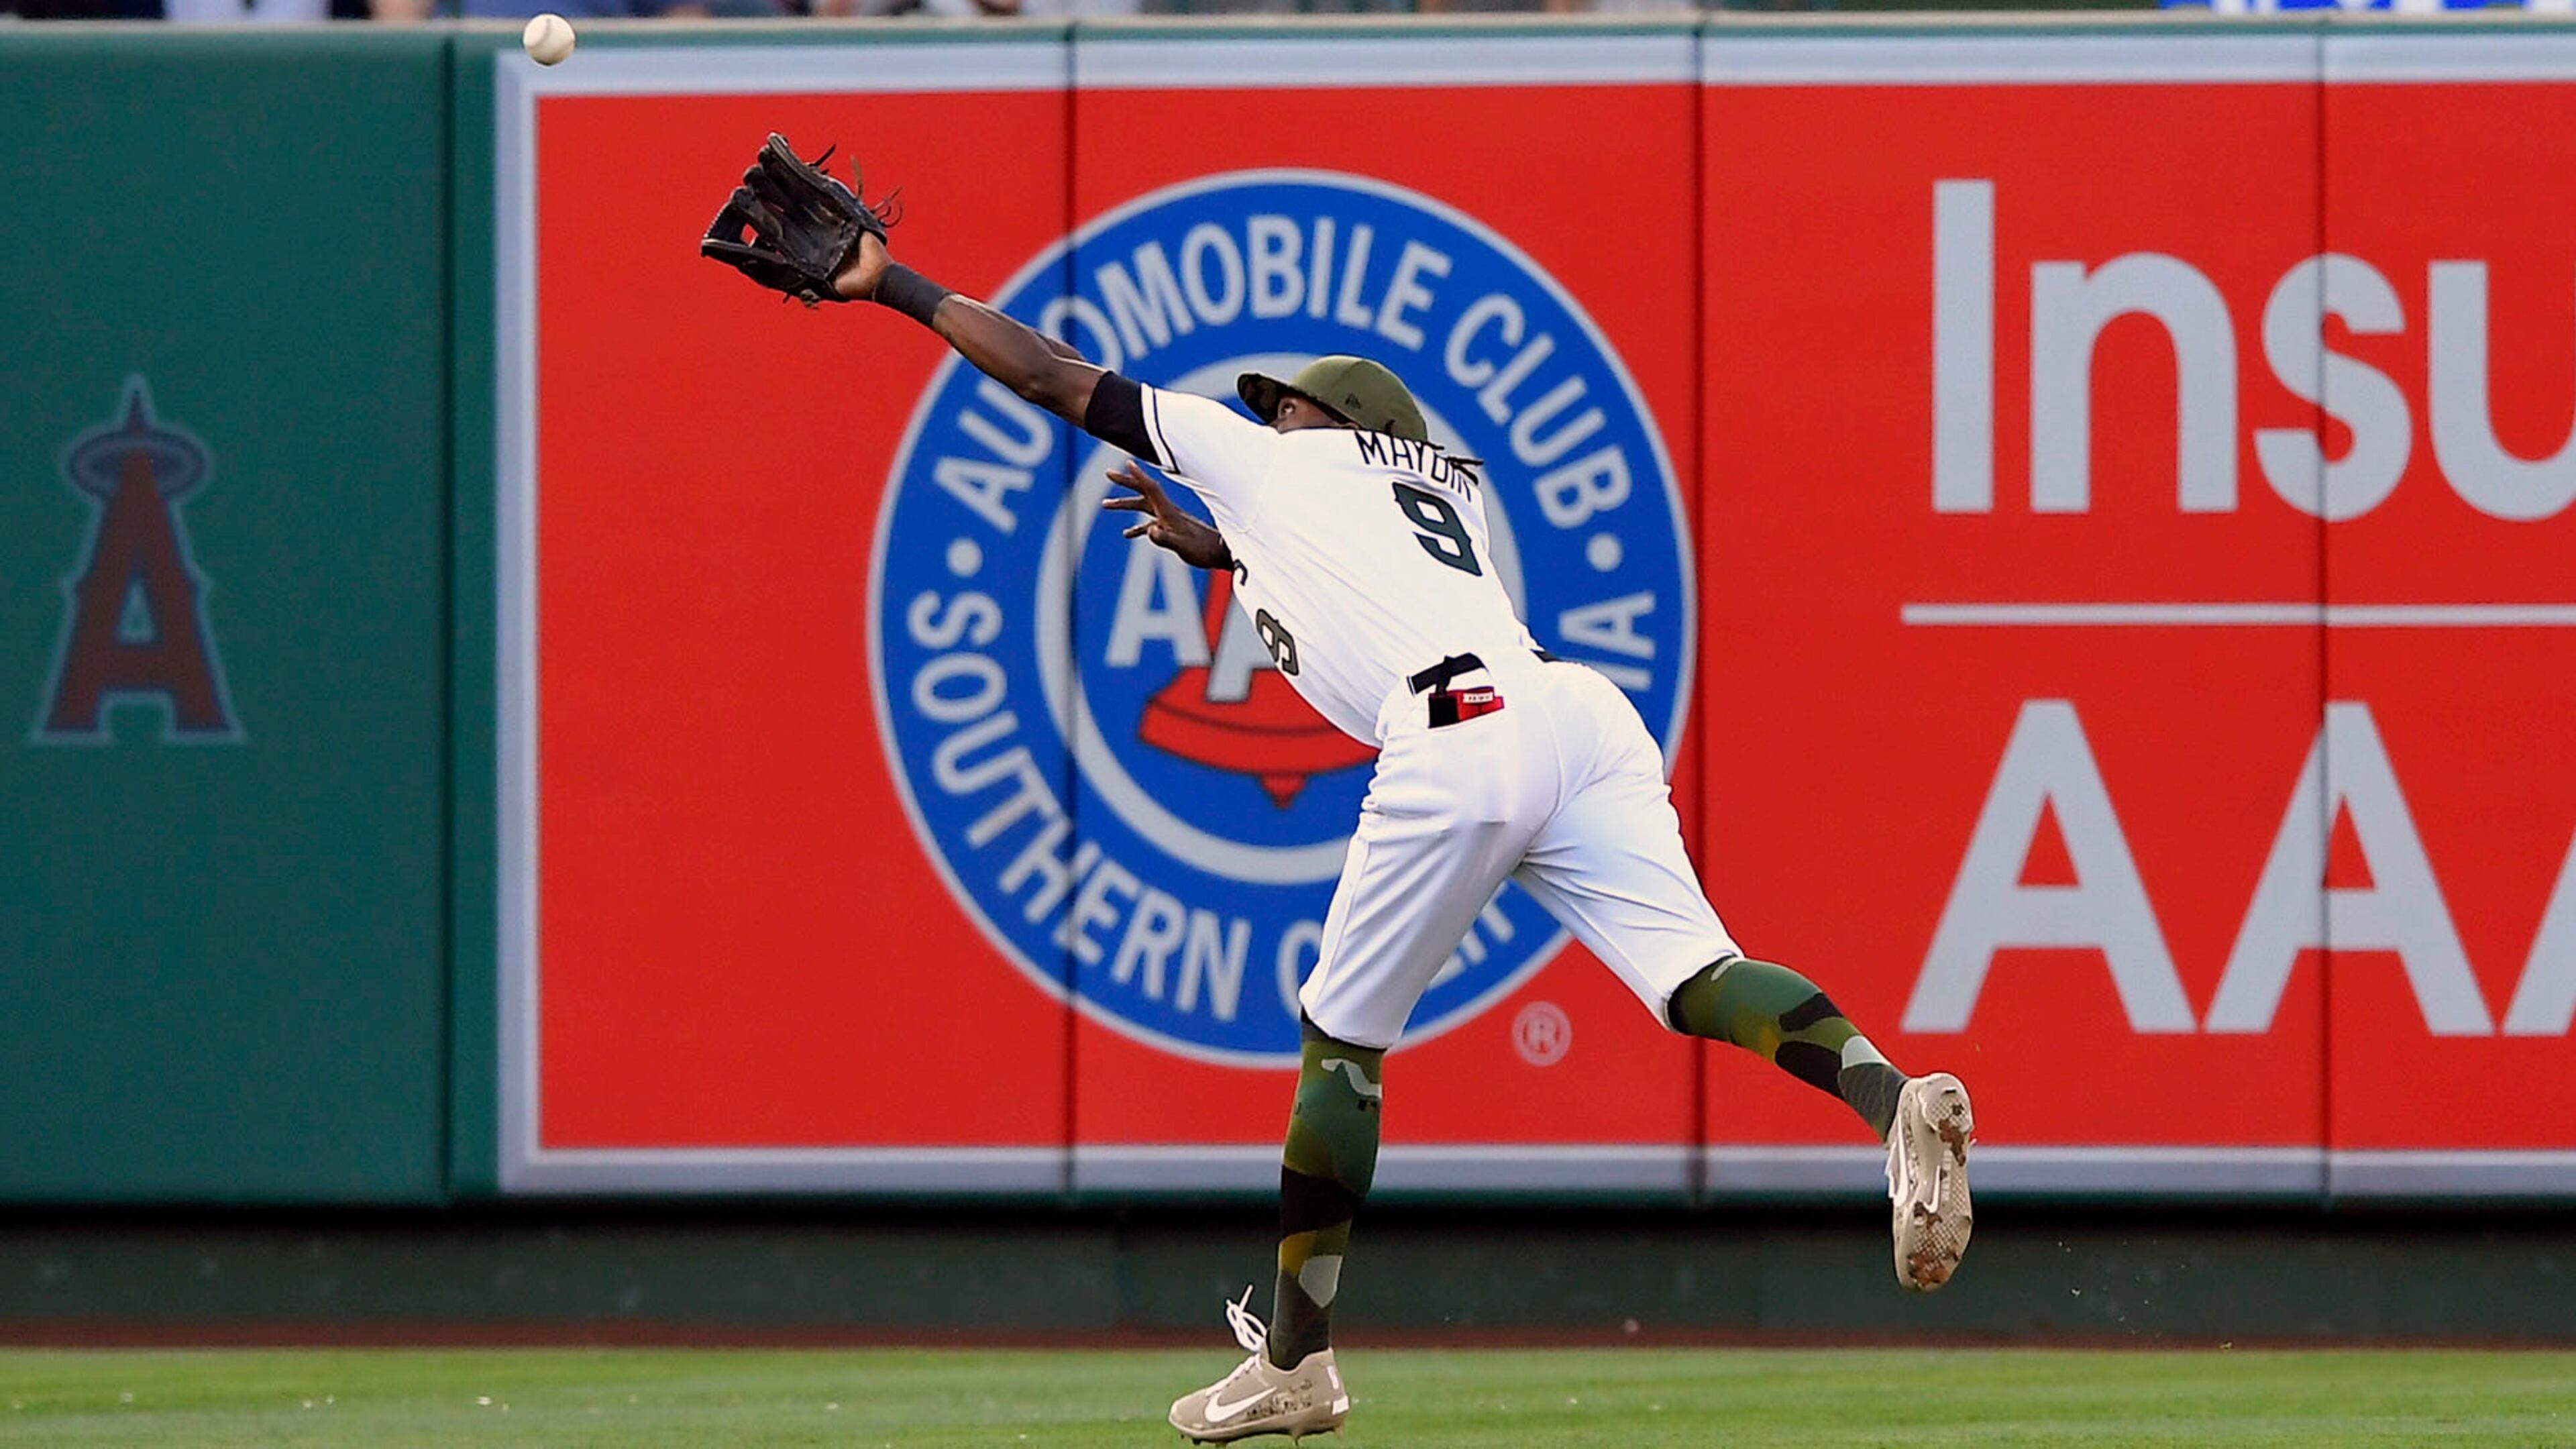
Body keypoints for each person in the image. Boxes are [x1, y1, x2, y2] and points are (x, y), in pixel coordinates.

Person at [703, 145, 1975, 1445]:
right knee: (1702, 978)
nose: (1274, 412)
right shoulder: (1444, 497)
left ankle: (1300, 1365)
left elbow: (1052, 374)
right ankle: (1892, 1103)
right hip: (1575, 715)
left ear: (1341, 428)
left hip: (1457, 730)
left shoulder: (1275, 464)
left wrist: (893, 285)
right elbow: (1347, 565)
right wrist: (1225, 545)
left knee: (1340, 1048)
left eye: (1294, 405)